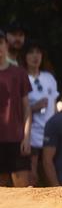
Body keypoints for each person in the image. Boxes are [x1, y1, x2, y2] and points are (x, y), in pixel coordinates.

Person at [0, 35, 33, 187]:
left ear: (6, 45)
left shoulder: (19, 73)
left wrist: (26, 137)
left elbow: (27, 108)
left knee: (23, 193)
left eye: (0, 43)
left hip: (17, 140)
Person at [22, 42, 58, 180]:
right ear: (24, 56)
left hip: (50, 133)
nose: (35, 56)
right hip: (30, 135)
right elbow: (18, 109)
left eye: (38, 52)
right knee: (33, 176)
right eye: (31, 52)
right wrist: (33, 107)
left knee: (50, 172)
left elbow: (54, 107)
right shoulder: (21, 77)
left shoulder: (49, 77)